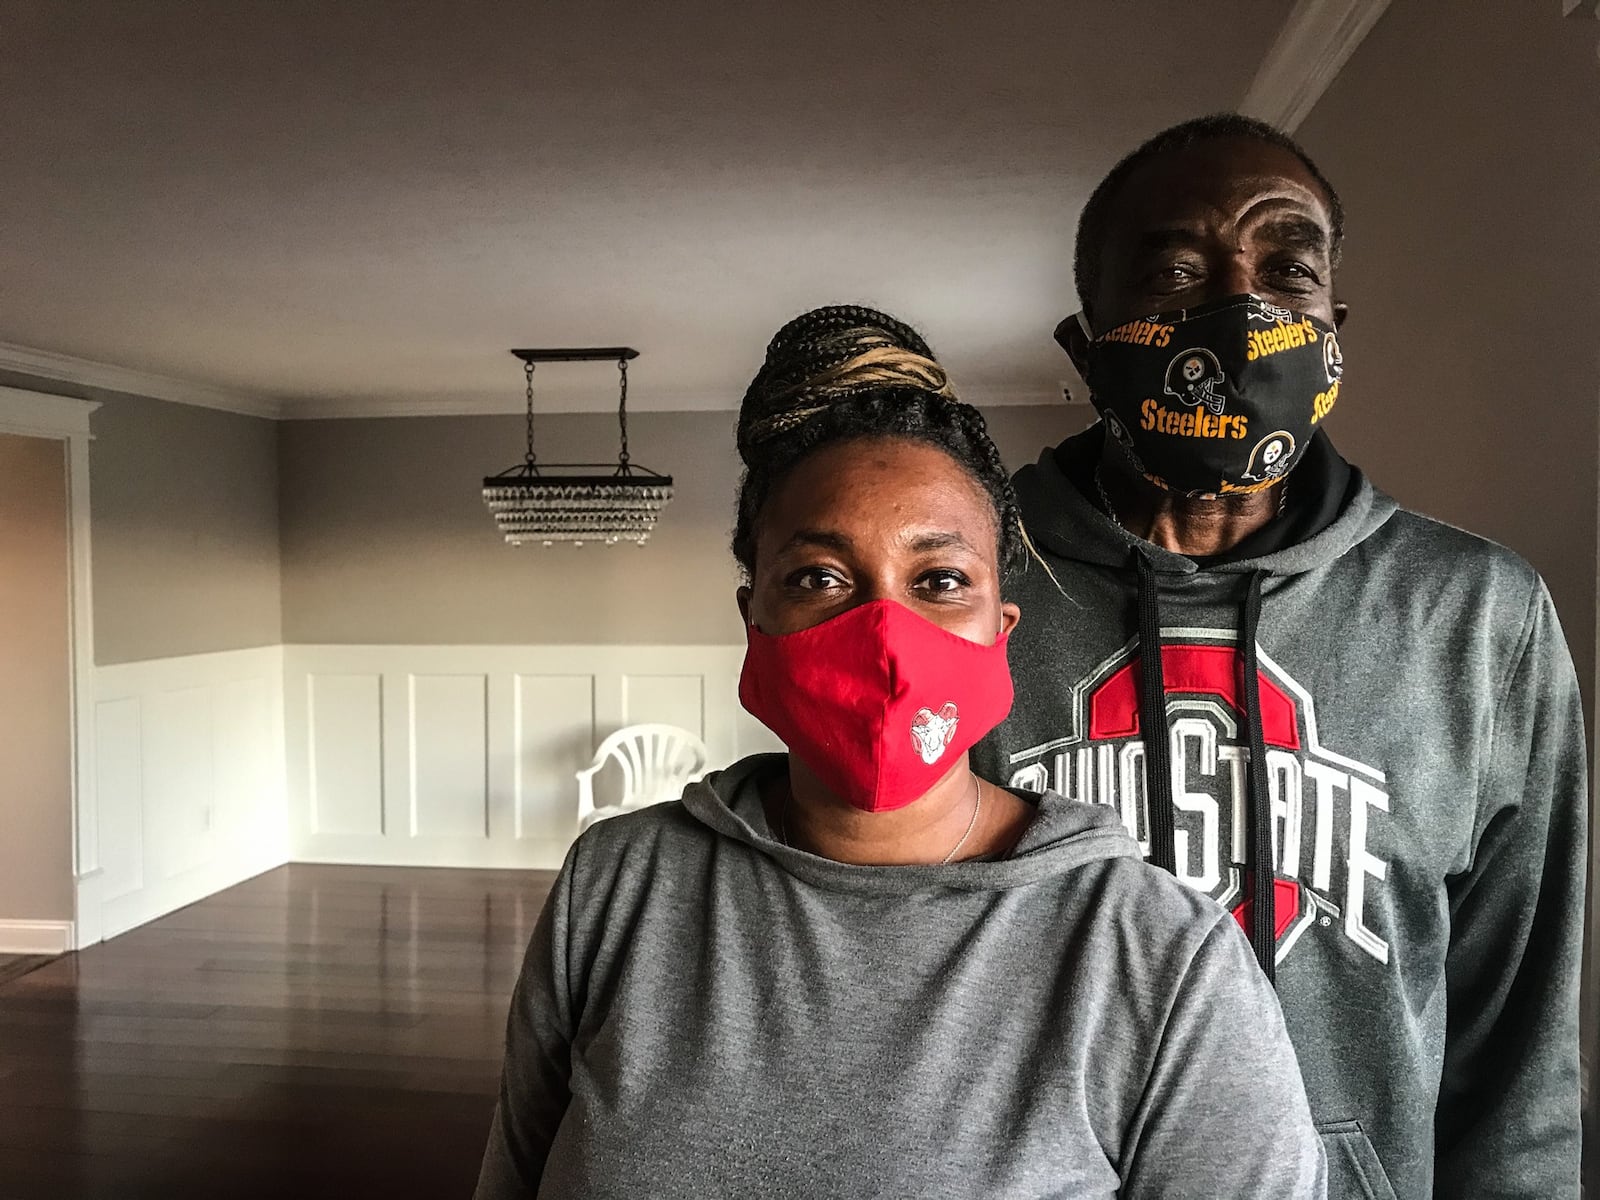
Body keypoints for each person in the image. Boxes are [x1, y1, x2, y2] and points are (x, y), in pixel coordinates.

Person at [474, 305, 1327, 1199]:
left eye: (939, 580)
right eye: (818, 577)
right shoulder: (615, 884)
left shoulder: (1158, 958)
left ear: (1000, 632)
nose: (883, 632)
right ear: (752, 620)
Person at [972, 114, 1588, 1199]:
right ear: (1083, 344)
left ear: (1331, 325)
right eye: (1171, 272)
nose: (1236, 312)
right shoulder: (961, 592)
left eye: (1286, 271)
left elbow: (1518, 1043)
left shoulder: (1477, 617)